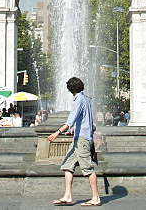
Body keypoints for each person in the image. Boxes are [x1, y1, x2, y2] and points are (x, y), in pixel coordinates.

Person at [47, 76, 101, 207]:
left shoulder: (79, 100)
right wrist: (73, 131)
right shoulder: (85, 99)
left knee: (87, 168)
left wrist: (57, 132)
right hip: (79, 137)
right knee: (67, 165)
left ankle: (96, 198)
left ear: (69, 89)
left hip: (82, 139)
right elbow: (83, 120)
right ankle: (67, 196)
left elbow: (70, 120)